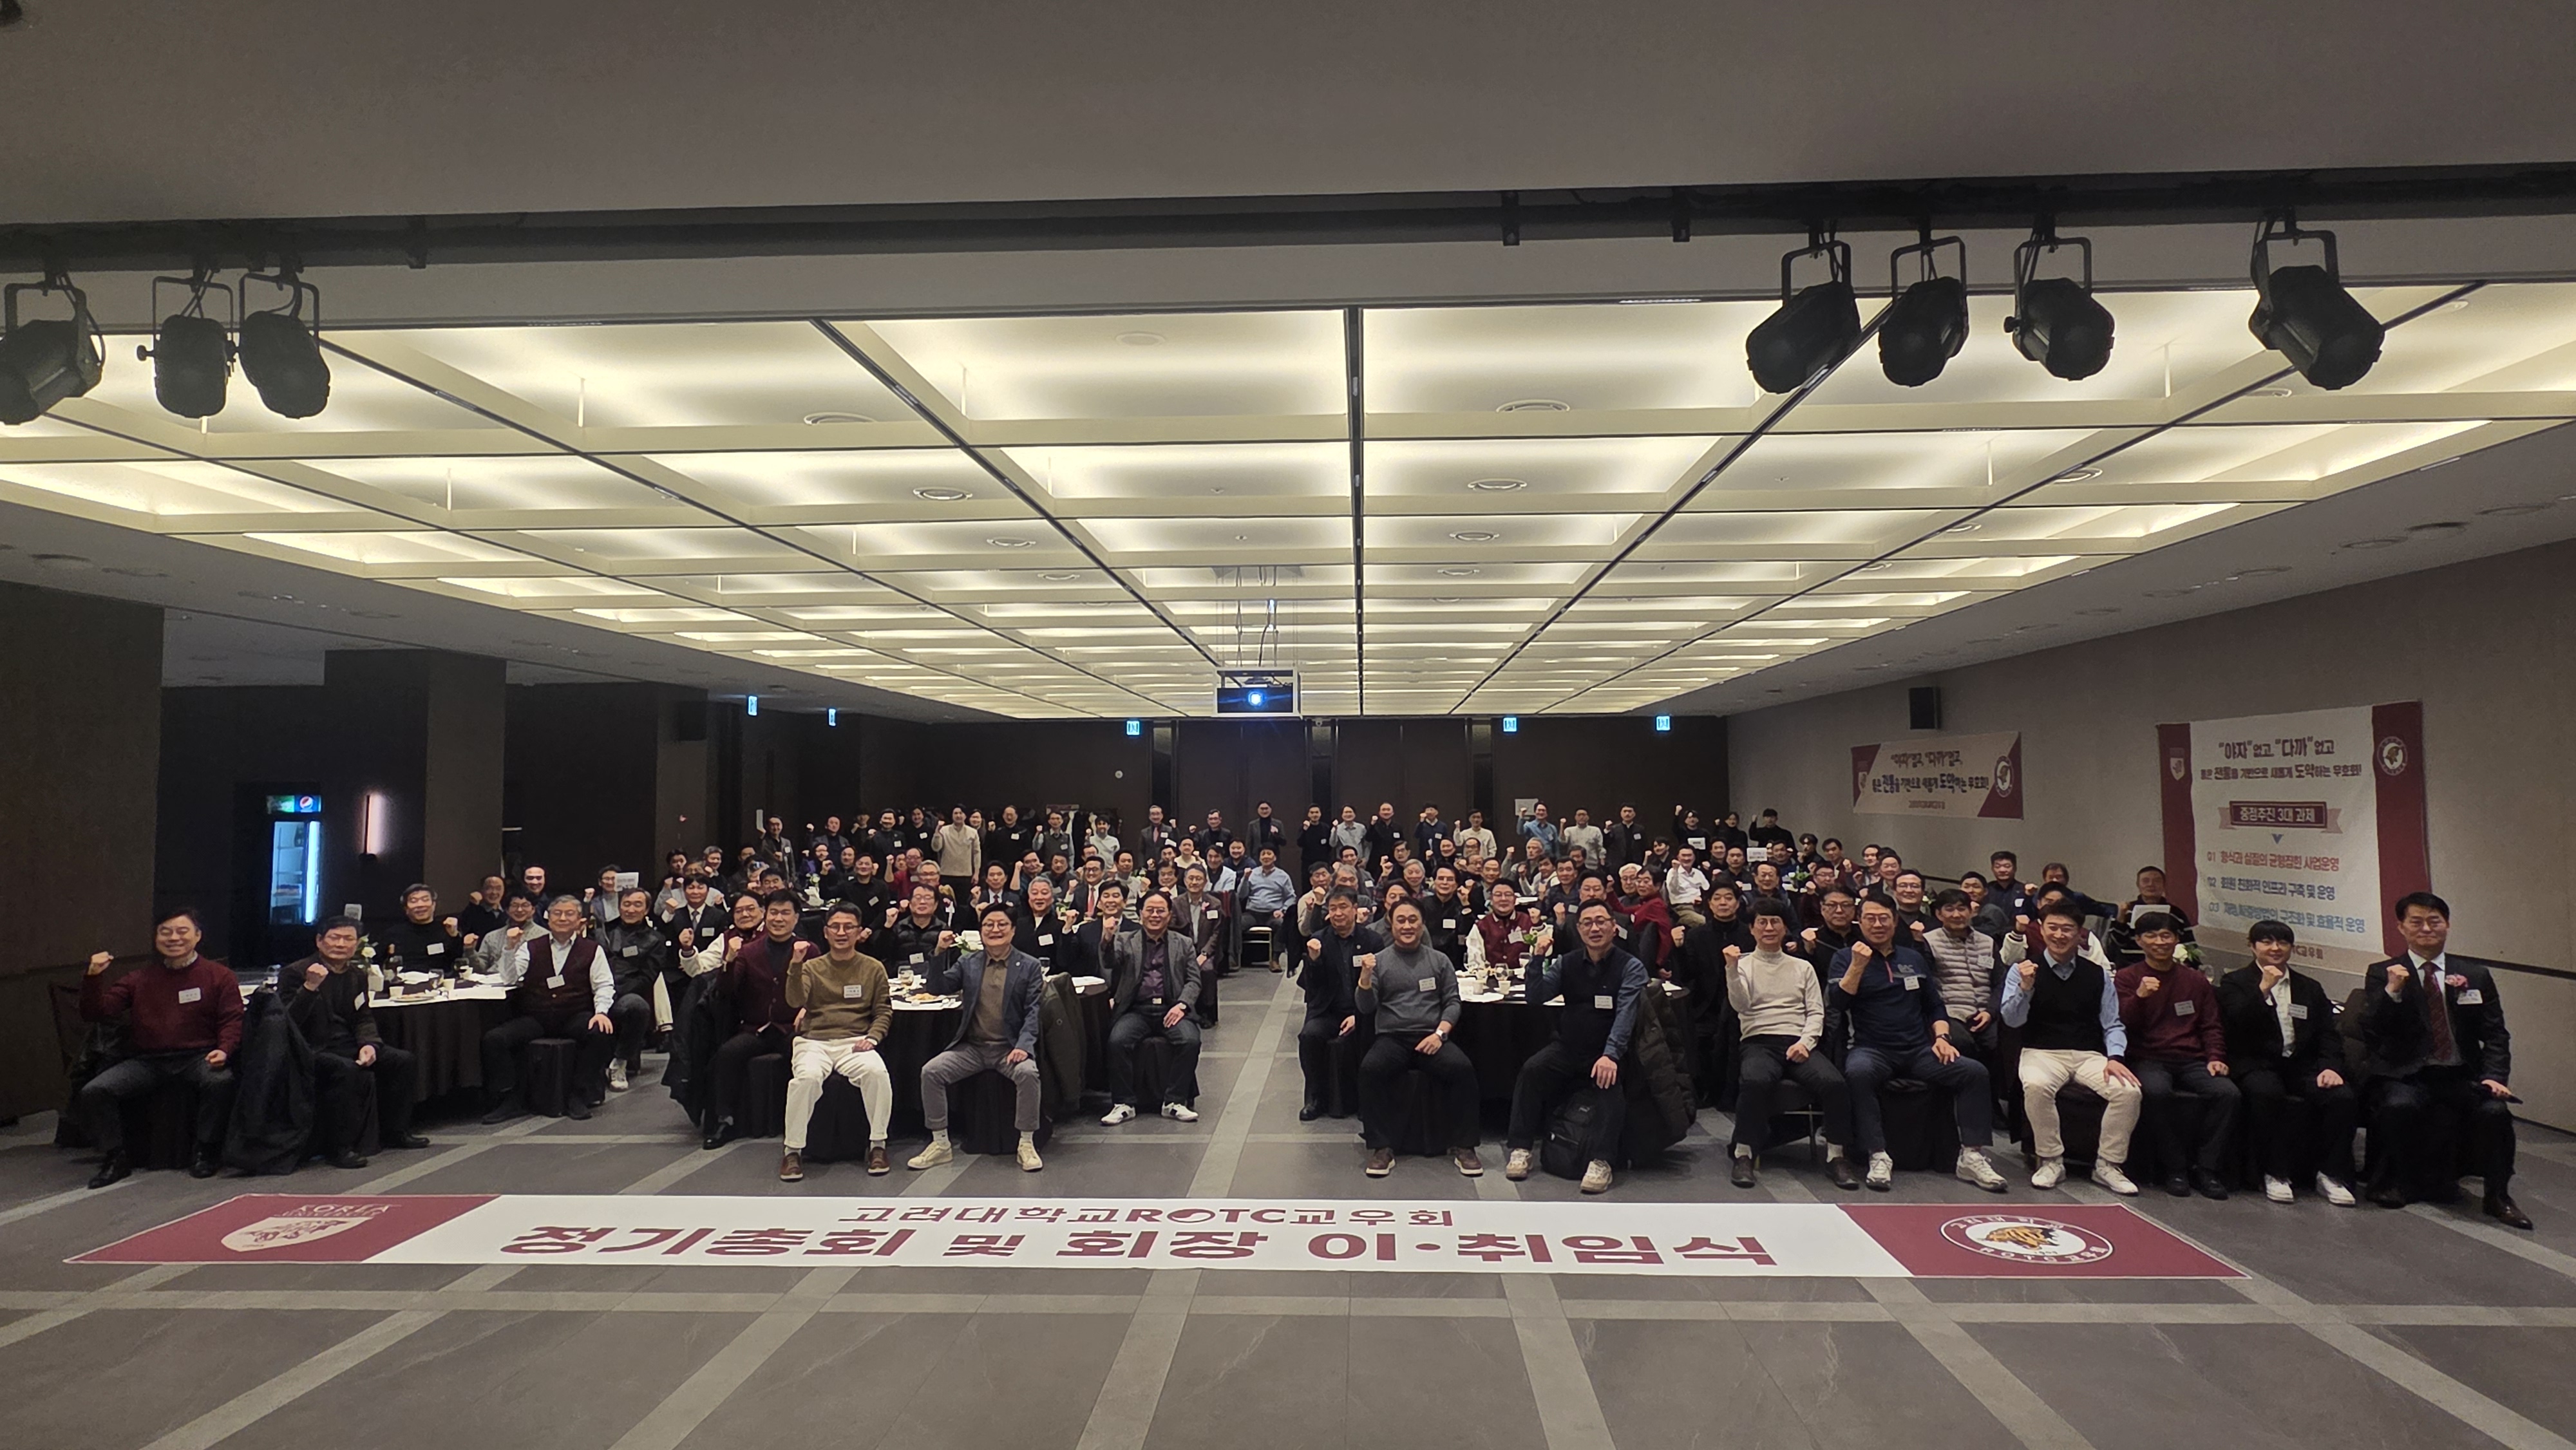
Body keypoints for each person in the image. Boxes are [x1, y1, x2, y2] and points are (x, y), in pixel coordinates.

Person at [2359, 892, 2525, 1227]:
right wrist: (2393, 991)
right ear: (2401, 927)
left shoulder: (2474, 975)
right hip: (2407, 1073)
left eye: (2434, 921)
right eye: (2416, 922)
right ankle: (2395, 1182)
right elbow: (2373, 1029)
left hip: (2460, 1074)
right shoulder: (2383, 972)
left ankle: (2498, 1196)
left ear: (2447, 925)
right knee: (2399, 1106)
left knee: (2495, 1113)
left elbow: (2495, 1034)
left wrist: (2495, 1077)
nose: (2426, 929)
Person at [1831, 898, 2009, 1192]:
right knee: (1858, 1073)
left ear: (1894, 922)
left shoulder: (1913, 958)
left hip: (1918, 1050)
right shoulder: (1844, 957)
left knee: (1973, 1072)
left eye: (1884, 918)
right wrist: (1858, 966)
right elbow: (1838, 1002)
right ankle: (1877, 1154)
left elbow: (1934, 1006)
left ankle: (1972, 1156)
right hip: (1871, 1048)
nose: (1878, 924)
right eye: (1870, 918)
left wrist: (1942, 1038)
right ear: (1859, 923)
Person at [77, 909, 243, 1187]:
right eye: (165, 932)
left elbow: (232, 1019)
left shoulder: (219, 976)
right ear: (156, 939)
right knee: (96, 1091)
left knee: (220, 1083)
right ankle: (116, 1157)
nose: (174, 938)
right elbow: (96, 1012)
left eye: (182, 931)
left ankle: (206, 1151)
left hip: (197, 1056)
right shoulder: (139, 979)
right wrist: (93, 976)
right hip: (149, 1060)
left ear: (198, 936)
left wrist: (225, 1049)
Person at [1500, 901, 1646, 1193]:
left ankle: (1602, 1160)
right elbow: (1536, 997)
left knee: (1610, 1086)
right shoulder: (1567, 963)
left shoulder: (1630, 966)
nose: (1595, 928)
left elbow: (1626, 1015)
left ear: (1614, 927)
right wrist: (1537, 959)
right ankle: (1521, 1147)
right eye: (1587, 923)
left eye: (1601, 921)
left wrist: (1610, 1054)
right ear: (1579, 930)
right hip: (1569, 1046)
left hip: (1607, 1051)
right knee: (1532, 1070)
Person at [2000, 899, 2143, 1194]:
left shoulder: (2098, 974)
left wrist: (2115, 1057)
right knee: (2037, 1086)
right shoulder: (2023, 970)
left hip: (2089, 1055)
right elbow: (2012, 1020)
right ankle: (2051, 1160)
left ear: (2080, 934)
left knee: (2129, 1092)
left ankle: (2108, 1164)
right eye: (2053, 928)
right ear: (2042, 929)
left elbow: (2112, 1023)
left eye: (2068, 929)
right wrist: (2026, 988)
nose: (2059, 935)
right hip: (2041, 1052)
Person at [2216, 920, 2357, 1206]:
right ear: (2252, 946)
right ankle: (2275, 1173)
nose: (2275, 948)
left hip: (2301, 1064)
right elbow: (2236, 1023)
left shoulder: (2310, 987)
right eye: (2266, 942)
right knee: (2267, 1093)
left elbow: (2328, 1034)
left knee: (2341, 1097)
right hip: (2256, 1063)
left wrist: (2330, 1067)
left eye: (2282, 942)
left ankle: (2330, 1174)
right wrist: (2263, 990)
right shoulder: (2235, 982)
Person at [1727, 898, 1858, 1190]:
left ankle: (1836, 1156)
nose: (1769, 928)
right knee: (1755, 1081)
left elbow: (1816, 1012)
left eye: (1775, 922)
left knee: (1835, 1083)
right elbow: (1741, 1006)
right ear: (1752, 929)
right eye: (1762, 922)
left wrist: (1806, 1043)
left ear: (1785, 928)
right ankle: (1743, 1153)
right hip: (1759, 1041)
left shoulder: (1803, 967)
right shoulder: (1742, 965)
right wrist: (1732, 970)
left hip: (1798, 1041)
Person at [281, 916, 428, 1169]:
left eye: (348, 939)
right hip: (311, 1048)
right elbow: (287, 1022)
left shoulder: (357, 975)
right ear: (319, 941)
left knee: (402, 1061)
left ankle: (396, 1131)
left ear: (357, 944)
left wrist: (369, 1044)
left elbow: (363, 1016)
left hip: (347, 1044)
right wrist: (309, 987)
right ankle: (339, 1148)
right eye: (334, 938)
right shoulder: (296, 972)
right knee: (345, 1070)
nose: (341, 944)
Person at [911, 905, 1046, 1172]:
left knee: (1029, 1074)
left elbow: (1034, 1012)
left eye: (1002, 925)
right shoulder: (969, 962)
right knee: (931, 1072)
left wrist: (1023, 1046)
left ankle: (1026, 1143)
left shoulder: (1029, 966)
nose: (995, 930)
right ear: (981, 931)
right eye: (988, 925)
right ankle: (940, 1143)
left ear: (1013, 930)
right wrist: (939, 953)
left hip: (1009, 1048)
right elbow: (937, 988)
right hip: (973, 1048)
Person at [2115, 912, 2238, 1198]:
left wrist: (2215, 1057)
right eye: (2151, 936)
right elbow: (2122, 1023)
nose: (2159, 942)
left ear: (2176, 940)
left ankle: (2207, 1169)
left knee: (2228, 1094)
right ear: (2139, 941)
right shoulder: (2127, 977)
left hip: (2192, 1059)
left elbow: (2211, 1025)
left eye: (2166, 935)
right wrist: (2139, 998)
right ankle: (2175, 1168)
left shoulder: (2195, 980)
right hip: (2148, 1056)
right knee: (2156, 1092)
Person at [1354, 901, 1479, 1178]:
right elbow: (1365, 1007)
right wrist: (1365, 977)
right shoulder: (1379, 961)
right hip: (1392, 1038)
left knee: (1463, 1070)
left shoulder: (1439, 960)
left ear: (1422, 924)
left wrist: (1440, 1034)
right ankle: (1381, 1147)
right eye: (1401, 920)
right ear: (1391, 925)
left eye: (1413, 920)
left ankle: (1465, 1146)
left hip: (1431, 1037)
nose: (1407, 926)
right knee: (1370, 1070)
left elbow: (1453, 1002)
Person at [777, 903, 895, 1180]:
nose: (842, 933)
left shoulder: (873, 968)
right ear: (826, 932)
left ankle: (878, 1145)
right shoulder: (811, 967)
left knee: (877, 1074)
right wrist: (795, 964)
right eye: (836, 927)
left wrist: (873, 1037)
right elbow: (794, 1001)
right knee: (805, 1080)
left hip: (855, 1040)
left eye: (849, 927)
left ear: (859, 932)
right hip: (814, 1041)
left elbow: (883, 1011)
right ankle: (792, 1151)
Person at [478, 894, 617, 1124]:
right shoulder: (530, 947)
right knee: (495, 1039)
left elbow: (603, 984)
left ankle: (578, 1095)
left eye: (569, 914)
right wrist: (510, 948)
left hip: (574, 1014)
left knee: (599, 1033)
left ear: (579, 920)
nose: (562, 918)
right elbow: (509, 978)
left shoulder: (593, 949)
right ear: (548, 918)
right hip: (537, 1016)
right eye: (557, 913)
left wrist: (601, 1012)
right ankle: (511, 1098)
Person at [699, 891, 810, 1149]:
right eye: (774, 913)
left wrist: (808, 1008)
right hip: (755, 1029)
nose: (778, 919)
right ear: (765, 916)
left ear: (796, 918)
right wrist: (729, 960)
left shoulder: (808, 949)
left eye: (785, 913)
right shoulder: (748, 952)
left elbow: (819, 987)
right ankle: (725, 1121)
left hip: (791, 1028)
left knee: (806, 1055)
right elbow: (726, 989)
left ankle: (803, 1122)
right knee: (727, 1055)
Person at [1099, 891, 1204, 1125]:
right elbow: (1109, 962)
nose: (1155, 915)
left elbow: (1194, 981)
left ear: (1169, 915)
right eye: (1150, 910)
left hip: (1171, 1008)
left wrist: (1182, 1005)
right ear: (1140, 914)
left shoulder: (1184, 943)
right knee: (1117, 1041)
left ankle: (1175, 1101)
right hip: (1137, 1010)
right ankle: (1123, 1103)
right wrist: (1107, 938)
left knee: (1190, 1041)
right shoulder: (1125, 940)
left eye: (1160, 911)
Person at [1298, 890, 1381, 1120]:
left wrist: (1358, 1014)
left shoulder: (1372, 940)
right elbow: (1312, 987)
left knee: (1372, 1038)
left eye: (1343, 907)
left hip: (1363, 1011)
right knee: (1309, 1036)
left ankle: (1367, 1099)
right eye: (1333, 908)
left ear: (1355, 909)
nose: (1338, 913)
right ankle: (1315, 1098)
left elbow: (1379, 983)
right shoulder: (1320, 939)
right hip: (1329, 1011)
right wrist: (1314, 960)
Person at [598, 887, 674, 1091]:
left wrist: (613, 994)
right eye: (627, 904)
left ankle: (620, 1063)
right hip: (596, 991)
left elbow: (647, 978)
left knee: (638, 1006)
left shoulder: (655, 940)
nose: (631, 909)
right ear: (619, 906)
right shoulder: (602, 932)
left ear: (647, 909)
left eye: (637, 905)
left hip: (625, 993)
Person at [1919, 889, 1997, 1063]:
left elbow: (2000, 982)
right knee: (1962, 1043)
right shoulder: (1929, 941)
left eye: (1962, 909)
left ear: (1971, 911)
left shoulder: (1988, 942)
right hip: (1951, 1014)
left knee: (1999, 1043)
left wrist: (1990, 1012)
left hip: (1985, 1013)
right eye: (1949, 909)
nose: (1957, 915)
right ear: (1939, 914)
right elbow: (1927, 987)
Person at [379, 884, 466, 976]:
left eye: (425, 900)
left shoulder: (447, 929)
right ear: (406, 909)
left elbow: (458, 960)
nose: (420, 905)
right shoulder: (393, 933)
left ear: (434, 905)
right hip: (405, 982)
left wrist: (454, 936)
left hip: (440, 981)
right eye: (414, 901)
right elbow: (377, 963)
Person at [1239, 845, 1296, 970]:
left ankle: (1275, 959)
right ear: (1259, 858)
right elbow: (1241, 895)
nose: (1266, 857)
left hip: (1272, 914)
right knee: (1237, 924)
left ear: (1275, 857)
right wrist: (1245, 879)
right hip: (1252, 913)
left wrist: (1283, 910)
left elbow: (1291, 897)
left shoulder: (1283, 876)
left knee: (1281, 924)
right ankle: (1239, 958)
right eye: (1263, 854)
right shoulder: (1252, 874)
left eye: (1269, 854)